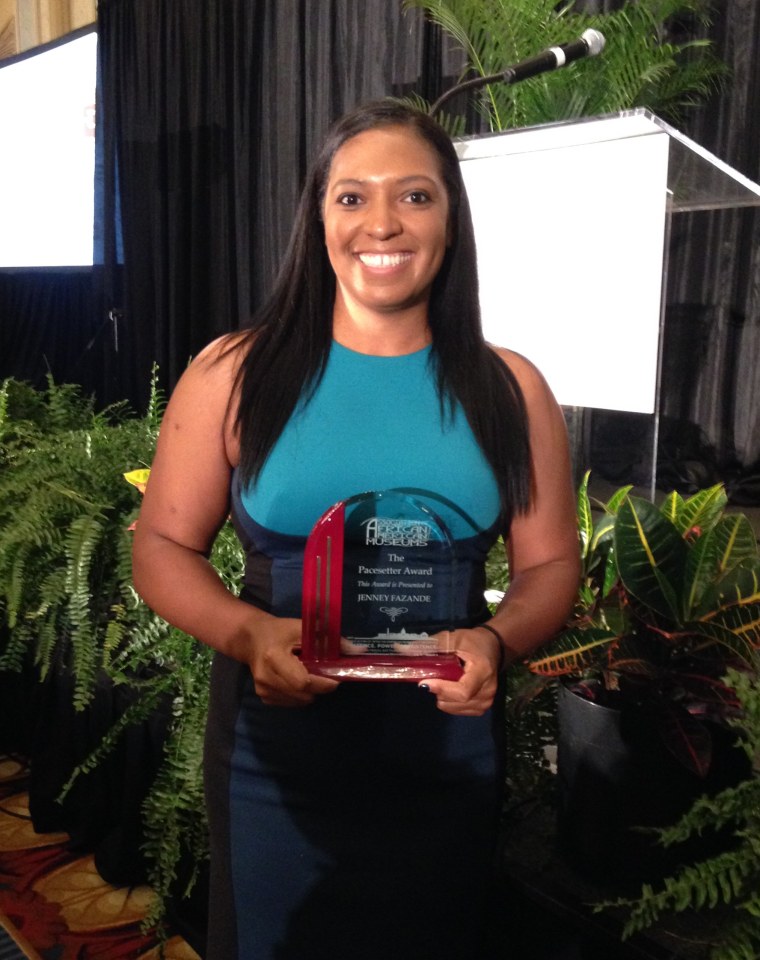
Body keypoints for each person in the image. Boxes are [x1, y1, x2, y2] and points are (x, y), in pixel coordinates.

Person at [132, 99, 580, 960]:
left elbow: (551, 563)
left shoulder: (510, 388)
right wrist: (247, 630)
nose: (382, 222)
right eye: (352, 197)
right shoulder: (235, 372)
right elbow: (160, 547)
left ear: (452, 217)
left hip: (445, 753)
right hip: (275, 758)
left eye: (415, 196)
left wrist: (495, 640)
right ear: (318, 215)